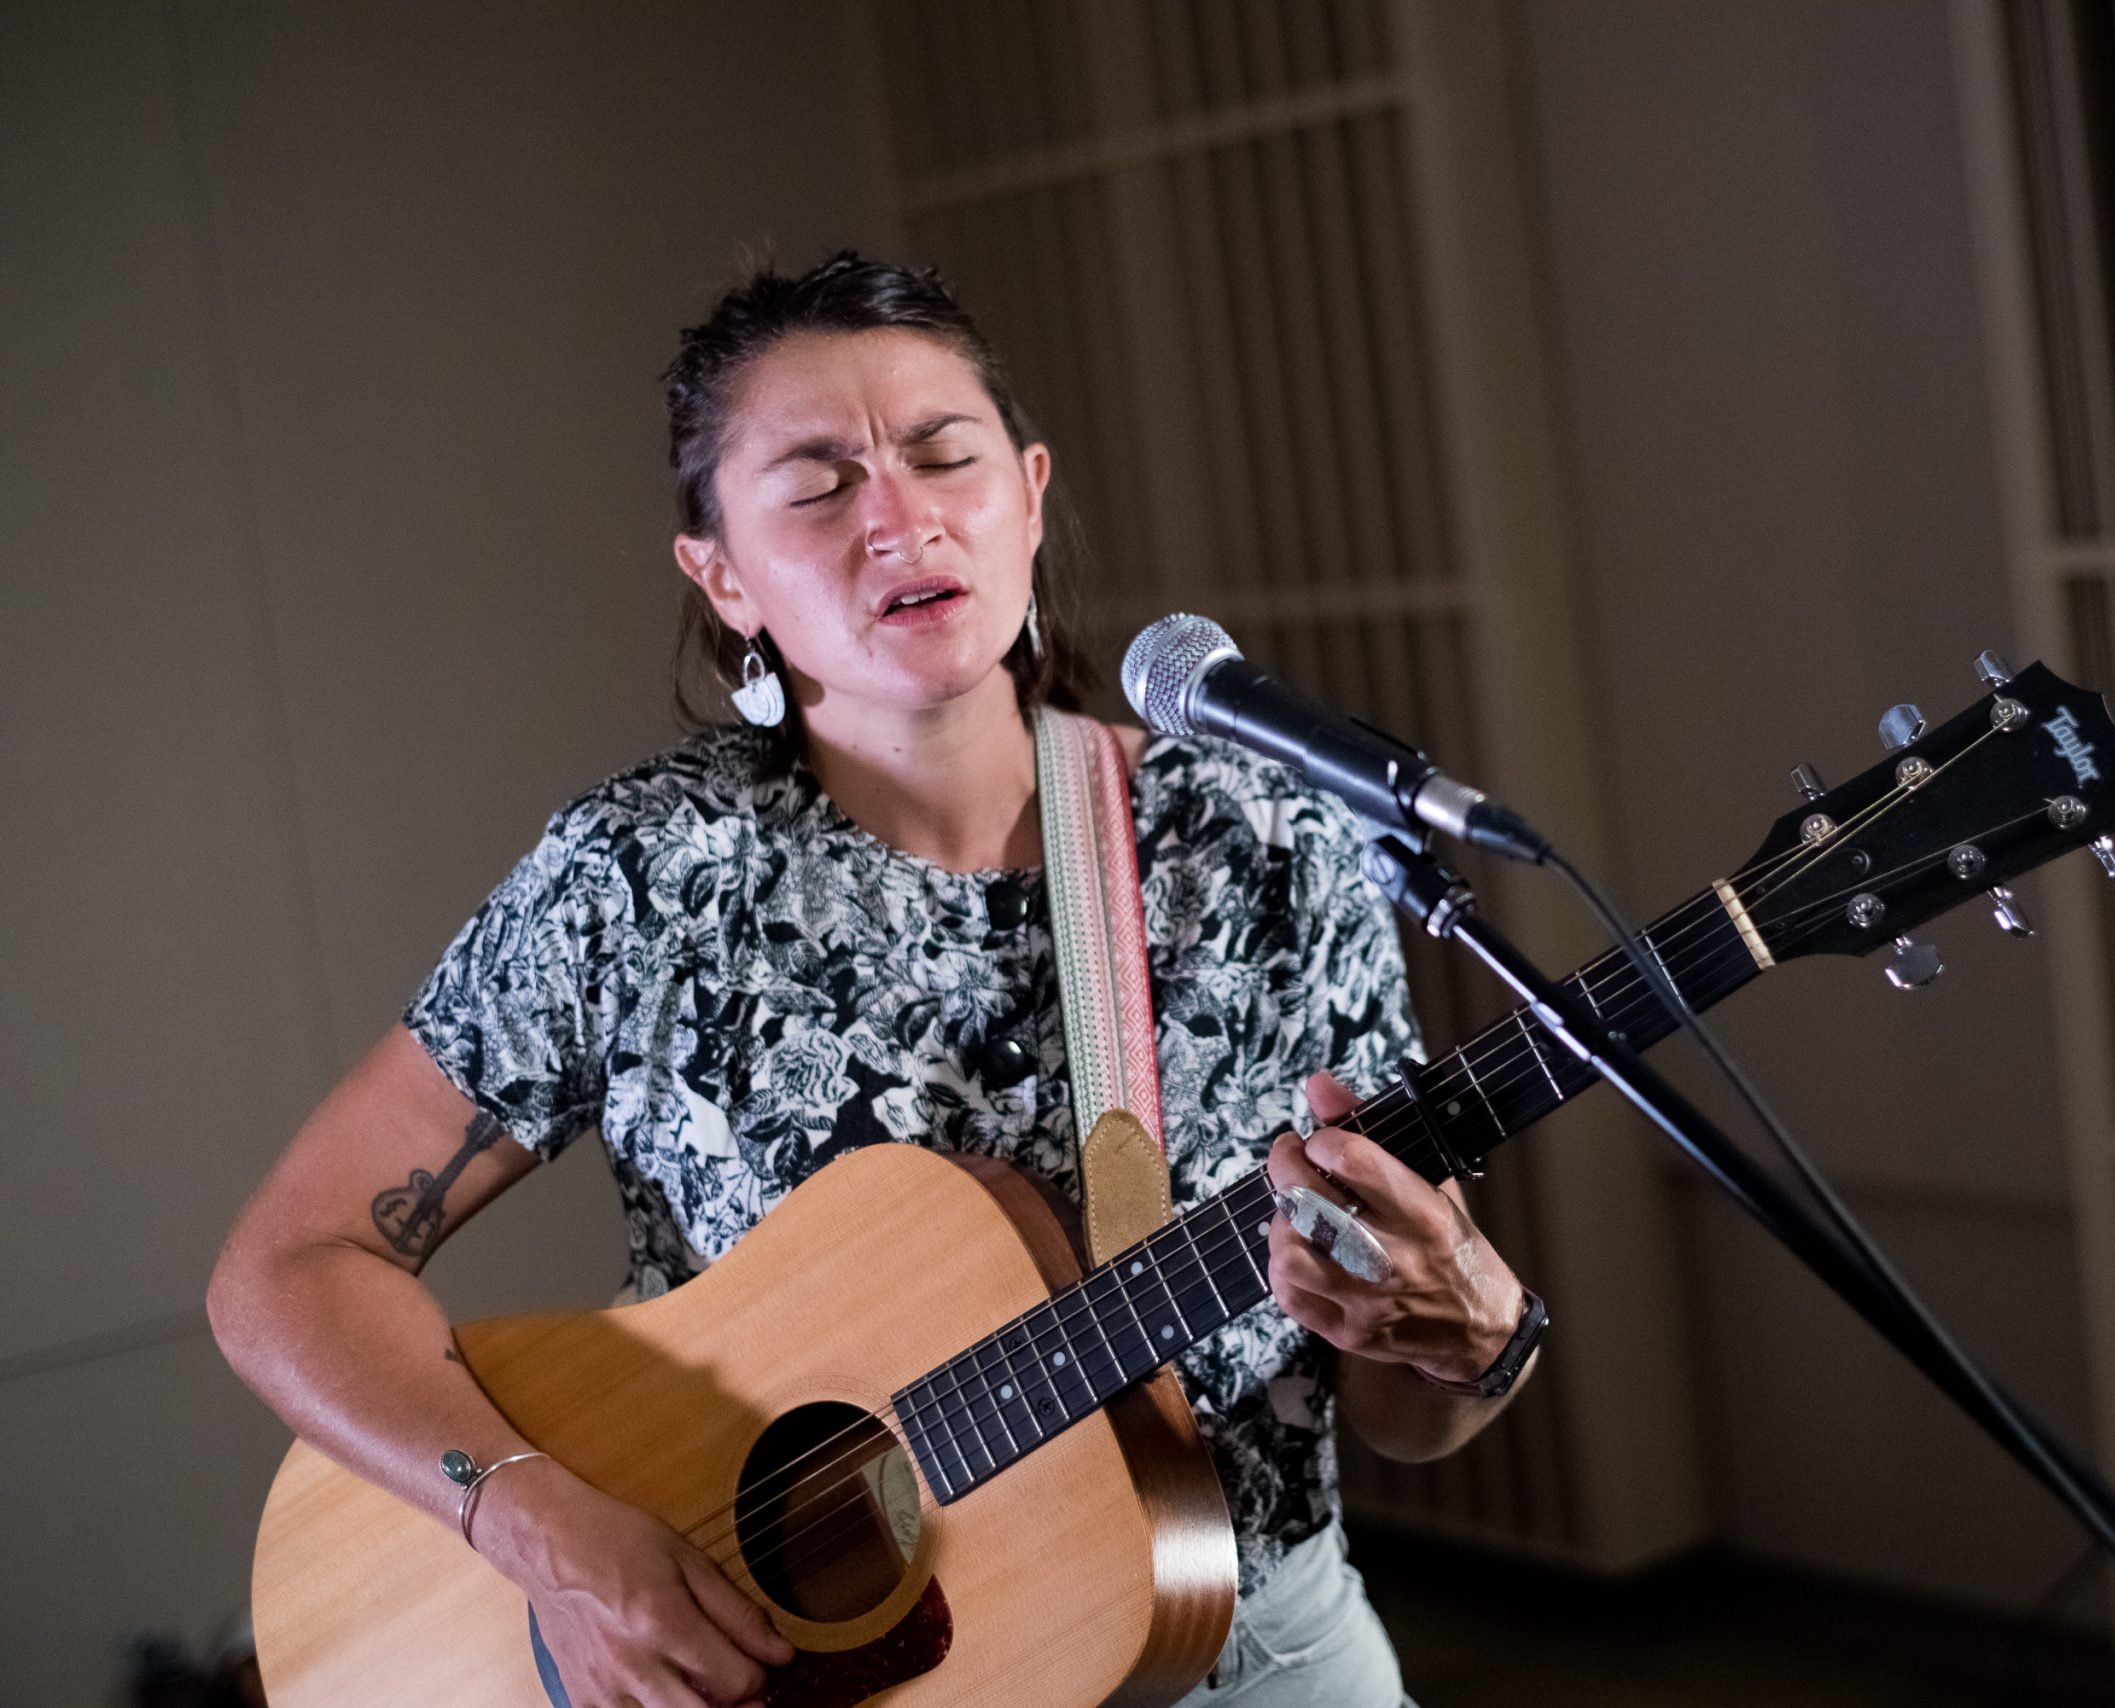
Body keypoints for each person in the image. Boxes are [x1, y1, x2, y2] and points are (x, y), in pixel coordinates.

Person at [207, 251, 1541, 1708]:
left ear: (1027, 496)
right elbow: (290, 1269)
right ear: (722, 575)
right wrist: (543, 1525)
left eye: (942, 454)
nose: (900, 516)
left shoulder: (1266, 843)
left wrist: (1472, 1339)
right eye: (820, 483)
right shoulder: (645, 874)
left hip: (1247, 1644)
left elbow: (1404, 1408)